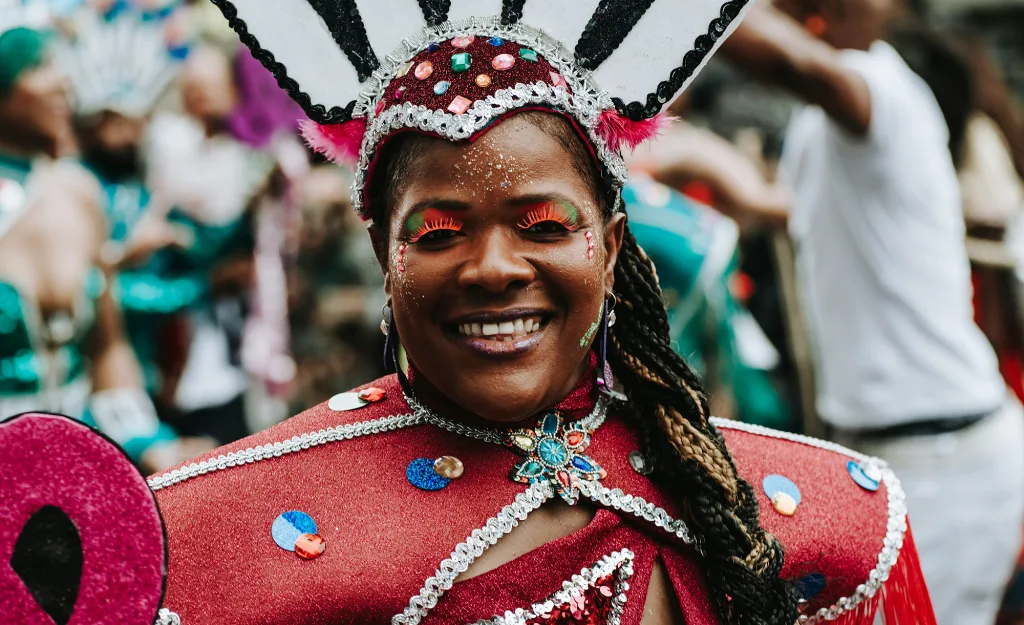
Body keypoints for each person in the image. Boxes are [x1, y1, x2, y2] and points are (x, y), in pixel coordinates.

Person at [139, 2, 932, 624]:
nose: (493, 268)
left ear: (613, 243)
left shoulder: (833, 523)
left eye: (545, 225)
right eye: (441, 231)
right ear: (385, 251)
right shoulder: (216, 548)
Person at [721, 1, 1024, 623]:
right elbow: (814, 212)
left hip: (947, 461)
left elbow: (790, 60)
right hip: (898, 454)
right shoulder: (832, 117)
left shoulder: (879, 87)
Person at [0, 7, 201, 473]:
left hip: (68, 478)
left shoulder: (78, 190)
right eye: (39, 67)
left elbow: (107, 349)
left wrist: (151, 445)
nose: (61, 82)